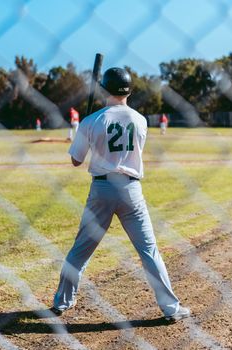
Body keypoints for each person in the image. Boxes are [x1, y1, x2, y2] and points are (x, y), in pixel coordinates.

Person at [52, 67, 190, 322]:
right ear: (130, 90)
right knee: (149, 250)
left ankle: (62, 302)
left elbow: (75, 160)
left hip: (101, 189)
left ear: (104, 89)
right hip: (131, 189)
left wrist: (87, 128)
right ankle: (171, 309)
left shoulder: (92, 120)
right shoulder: (140, 120)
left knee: (81, 249)